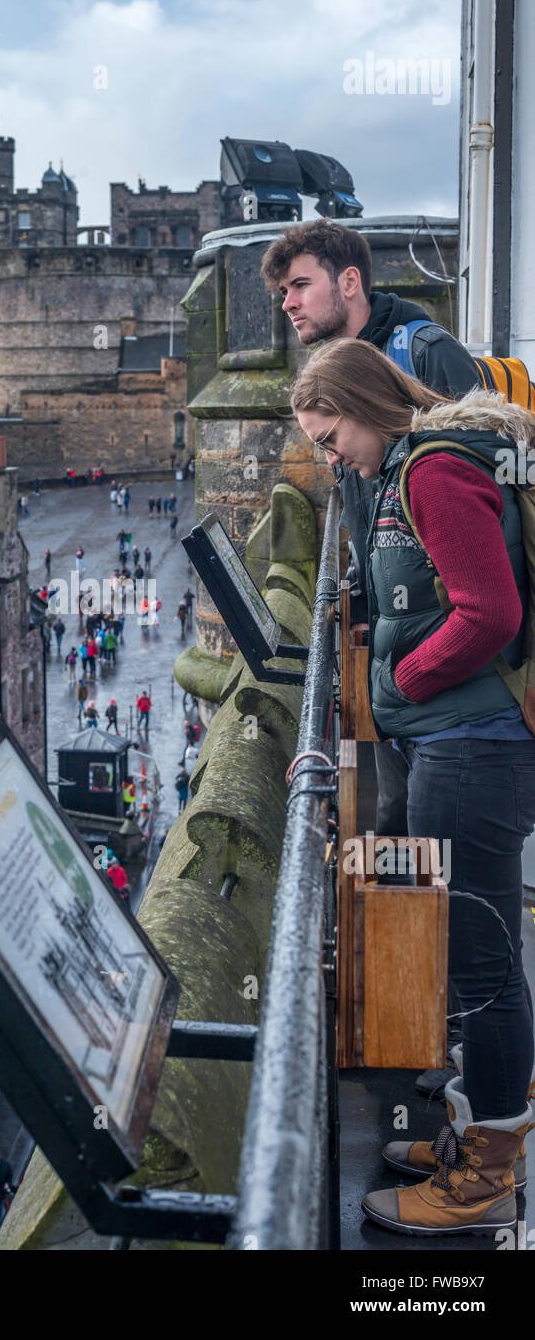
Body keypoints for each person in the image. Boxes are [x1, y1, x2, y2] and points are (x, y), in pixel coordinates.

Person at [291, 336, 535, 1238]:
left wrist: (406, 684)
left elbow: (490, 612)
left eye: (330, 434)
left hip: (473, 750)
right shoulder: (410, 468)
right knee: (473, 958)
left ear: (367, 404)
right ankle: (473, 1135)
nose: (329, 456)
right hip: (461, 746)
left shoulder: (430, 472)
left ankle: (486, 1182)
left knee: (479, 967)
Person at [261, 217, 482, 843]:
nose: (288, 304)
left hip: (452, 659)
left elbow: (488, 493)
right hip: (395, 638)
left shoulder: (425, 351)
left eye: (300, 285)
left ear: (350, 281)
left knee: (432, 850)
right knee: (396, 826)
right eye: (283, 292)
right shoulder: (338, 374)